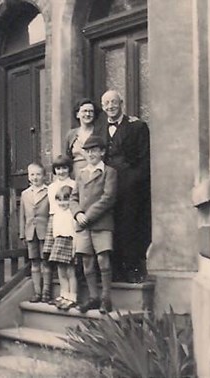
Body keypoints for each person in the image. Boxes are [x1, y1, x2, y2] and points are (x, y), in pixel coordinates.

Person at [99, 89, 151, 283]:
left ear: (121, 103)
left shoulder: (137, 126)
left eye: (114, 102)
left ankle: (132, 270)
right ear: (103, 107)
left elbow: (145, 160)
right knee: (109, 225)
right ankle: (114, 270)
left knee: (129, 225)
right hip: (106, 186)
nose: (110, 106)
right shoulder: (99, 129)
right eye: (106, 103)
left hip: (130, 186)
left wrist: (133, 181)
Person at [70, 135, 117, 314]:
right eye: (88, 151)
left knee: (103, 260)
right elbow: (73, 198)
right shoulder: (81, 173)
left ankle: (106, 298)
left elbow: (108, 198)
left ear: (102, 152)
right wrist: (78, 213)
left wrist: (87, 216)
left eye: (95, 150)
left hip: (102, 223)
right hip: (83, 224)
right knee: (87, 262)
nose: (91, 154)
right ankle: (93, 297)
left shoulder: (109, 172)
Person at [42, 155, 78, 310]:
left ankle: (72, 296)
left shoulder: (74, 184)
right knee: (59, 266)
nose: (61, 171)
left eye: (64, 168)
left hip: (70, 226)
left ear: (69, 168)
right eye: (58, 168)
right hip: (57, 224)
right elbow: (53, 209)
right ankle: (63, 295)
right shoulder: (51, 187)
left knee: (70, 268)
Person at [19, 162, 50, 303]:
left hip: (45, 232)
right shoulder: (25, 194)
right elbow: (22, 216)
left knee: (46, 262)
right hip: (31, 232)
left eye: (38, 174)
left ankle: (46, 292)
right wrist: (22, 234)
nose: (35, 177)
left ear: (44, 176)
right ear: (28, 177)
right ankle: (37, 292)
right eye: (32, 174)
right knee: (34, 262)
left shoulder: (49, 191)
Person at [64, 98, 106, 178]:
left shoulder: (100, 133)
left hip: (95, 173)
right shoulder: (71, 134)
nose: (87, 114)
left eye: (91, 111)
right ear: (77, 114)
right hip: (75, 173)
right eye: (84, 111)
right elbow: (67, 158)